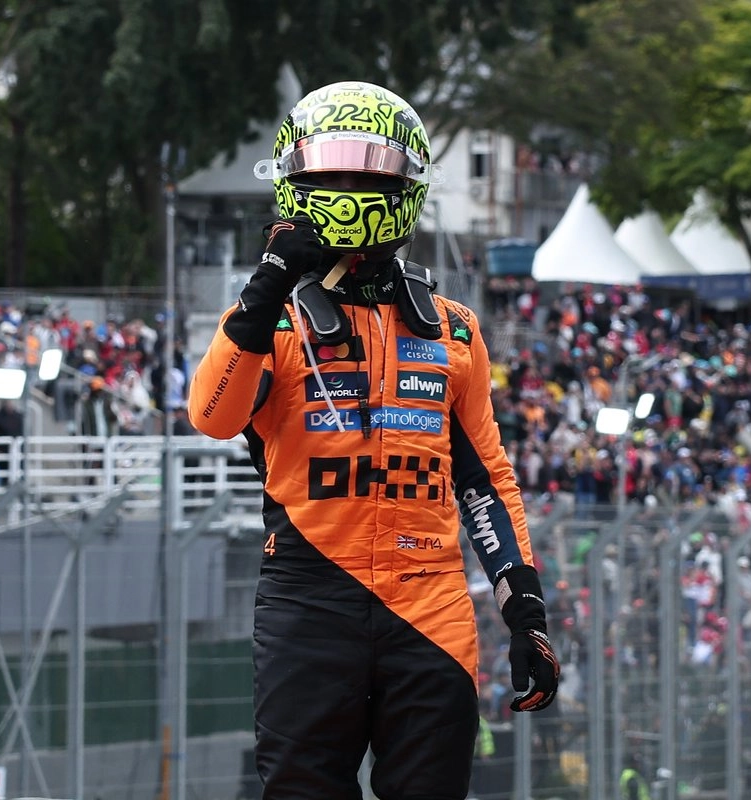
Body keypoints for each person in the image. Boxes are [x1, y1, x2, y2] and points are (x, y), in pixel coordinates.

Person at [188, 80, 559, 800]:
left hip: (431, 606)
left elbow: (485, 480)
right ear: (293, 182)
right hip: (308, 603)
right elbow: (213, 414)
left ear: (406, 184)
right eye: (328, 174)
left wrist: (526, 610)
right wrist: (268, 283)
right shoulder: (270, 322)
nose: (348, 187)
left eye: (368, 173)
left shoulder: (452, 328)